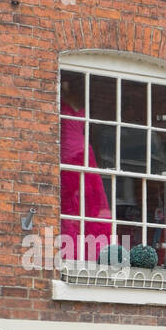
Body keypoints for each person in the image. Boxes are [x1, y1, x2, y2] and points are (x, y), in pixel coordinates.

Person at [59, 79, 113, 264]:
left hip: (83, 152)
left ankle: (95, 252)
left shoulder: (78, 100)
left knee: (92, 202)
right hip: (67, 154)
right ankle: (74, 252)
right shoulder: (59, 100)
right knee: (71, 202)